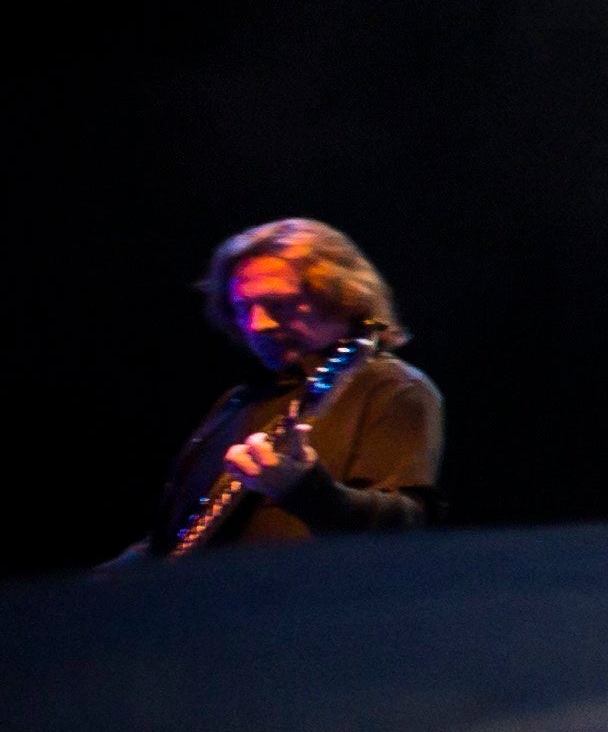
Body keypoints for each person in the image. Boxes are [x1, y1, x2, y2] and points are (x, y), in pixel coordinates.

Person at [145, 217, 444, 559]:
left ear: (343, 298)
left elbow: (405, 527)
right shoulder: (236, 403)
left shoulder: (393, 387)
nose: (258, 325)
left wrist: (305, 488)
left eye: (280, 304)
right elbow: (169, 542)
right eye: (243, 308)